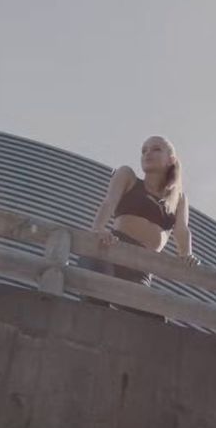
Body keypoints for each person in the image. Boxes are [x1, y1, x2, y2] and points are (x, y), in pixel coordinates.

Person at [81, 136, 198, 317]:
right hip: (112, 250)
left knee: (153, 319)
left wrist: (187, 255)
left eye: (156, 149)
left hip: (142, 267)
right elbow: (109, 202)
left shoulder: (179, 199)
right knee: (98, 298)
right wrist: (98, 229)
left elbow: (182, 230)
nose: (147, 154)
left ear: (171, 160)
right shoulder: (127, 175)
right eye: (144, 150)